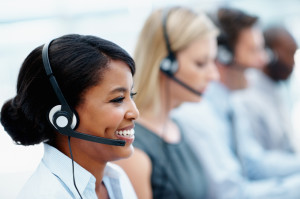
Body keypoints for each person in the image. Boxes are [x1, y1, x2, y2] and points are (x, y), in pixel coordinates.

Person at [172, 7, 300, 199]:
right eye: (253, 50)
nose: (264, 60)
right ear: (223, 55)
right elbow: (230, 194)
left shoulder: (231, 102)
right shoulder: (199, 114)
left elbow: (254, 164)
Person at [0, 34, 139, 199]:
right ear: (63, 117)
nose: (135, 113)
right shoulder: (45, 195)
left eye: (131, 94)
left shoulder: (117, 179)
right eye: (118, 99)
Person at [114, 6, 219, 199]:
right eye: (200, 63)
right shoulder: (133, 151)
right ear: (166, 64)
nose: (214, 75)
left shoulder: (178, 126)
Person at [232, 25, 300, 180]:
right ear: (270, 54)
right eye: (289, 54)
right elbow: (257, 166)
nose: (292, 63)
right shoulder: (247, 96)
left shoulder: (275, 89)